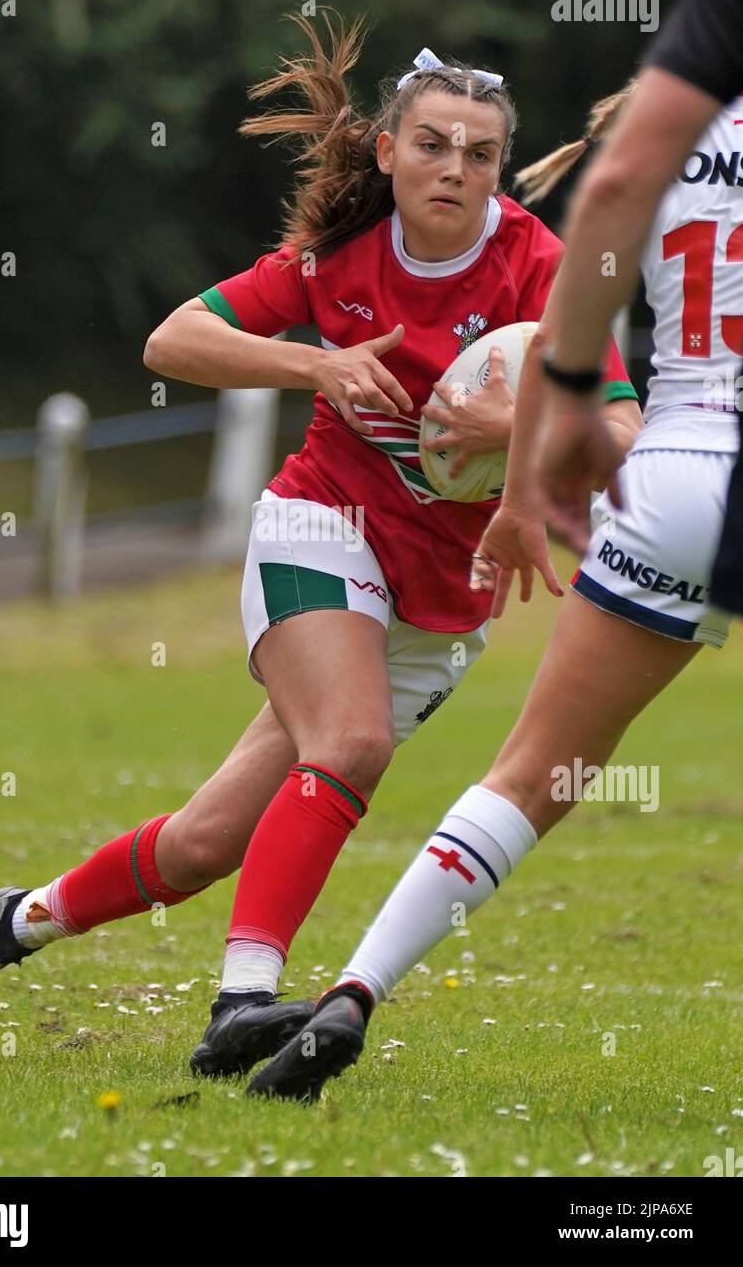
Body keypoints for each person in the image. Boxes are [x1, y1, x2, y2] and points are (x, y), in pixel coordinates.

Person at [0, 16, 639, 1082]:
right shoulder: (336, 255)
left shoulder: (540, 271)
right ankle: (242, 998)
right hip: (319, 523)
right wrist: (316, 369)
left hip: (441, 594)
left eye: (478, 153)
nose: (453, 169)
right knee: (350, 743)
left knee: (205, 843)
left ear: (498, 168)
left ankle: (9, 927)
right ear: (386, 150)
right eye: (430, 143)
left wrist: (513, 431)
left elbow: (620, 428)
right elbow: (171, 342)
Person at [246, 77, 741, 1102]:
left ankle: (353, 988)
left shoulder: (661, 131)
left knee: (528, 774)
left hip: (676, 471)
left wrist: (518, 497)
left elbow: (562, 353)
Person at [525, 0, 743, 622]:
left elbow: (553, 328)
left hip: (675, 465)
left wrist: (571, 394)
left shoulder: (640, 137)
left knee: (542, 745)